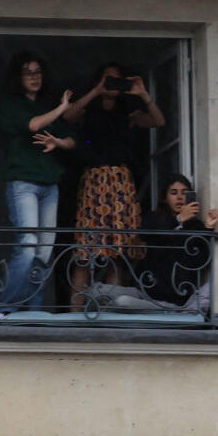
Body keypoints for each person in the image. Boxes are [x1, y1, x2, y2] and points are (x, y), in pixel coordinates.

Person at [63, 62, 164, 305]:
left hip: (120, 184)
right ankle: (75, 315)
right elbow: (68, 115)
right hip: (94, 182)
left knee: (117, 253)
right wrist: (96, 91)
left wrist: (143, 94)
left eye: (118, 80)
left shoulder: (128, 112)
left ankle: (111, 311)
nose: (112, 84)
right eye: (108, 79)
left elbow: (158, 121)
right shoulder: (89, 110)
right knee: (85, 254)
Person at [0, 53, 75, 309]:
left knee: (44, 252)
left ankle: (34, 310)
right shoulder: (9, 104)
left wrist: (57, 142)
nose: (34, 76)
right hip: (23, 183)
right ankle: (6, 307)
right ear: (18, 77)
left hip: (49, 184)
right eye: (28, 72)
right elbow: (33, 125)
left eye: (38, 71)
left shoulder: (46, 105)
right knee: (28, 245)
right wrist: (62, 107)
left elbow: (74, 140)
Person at [138, 173, 218, 311]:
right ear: (165, 198)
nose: (180, 197)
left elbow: (201, 260)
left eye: (185, 193)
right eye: (173, 193)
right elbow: (147, 234)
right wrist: (179, 219)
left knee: (124, 302)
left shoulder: (195, 226)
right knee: (106, 293)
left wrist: (208, 228)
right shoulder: (153, 219)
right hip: (149, 290)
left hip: (176, 297)